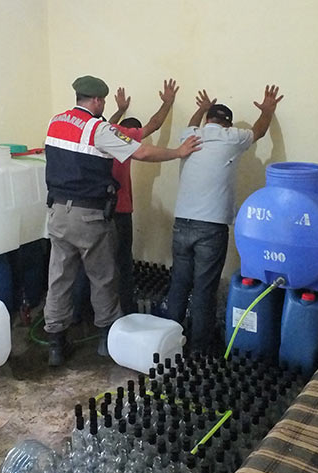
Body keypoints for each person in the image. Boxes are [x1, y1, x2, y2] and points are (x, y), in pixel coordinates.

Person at [43, 75, 200, 366]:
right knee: (103, 278)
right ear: (97, 100)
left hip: (57, 214)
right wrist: (179, 152)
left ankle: (55, 345)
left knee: (59, 279)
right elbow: (142, 151)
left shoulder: (56, 121)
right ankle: (106, 340)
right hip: (89, 216)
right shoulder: (98, 128)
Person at [166, 85, 283, 355]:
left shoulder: (190, 135)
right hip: (211, 227)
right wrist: (267, 111)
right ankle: (199, 351)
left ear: (207, 120)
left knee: (179, 285)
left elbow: (192, 122)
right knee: (204, 290)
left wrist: (201, 108)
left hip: (181, 223)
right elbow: (259, 131)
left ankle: (169, 344)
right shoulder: (232, 137)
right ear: (227, 124)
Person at [106, 79, 179, 313]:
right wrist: (168, 103)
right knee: (123, 263)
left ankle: (86, 313)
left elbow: (107, 123)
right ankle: (125, 311)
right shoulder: (126, 138)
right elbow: (154, 125)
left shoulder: (105, 134)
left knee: (98, 263)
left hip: (97, 210)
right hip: (120, 210)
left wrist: (120, 110)